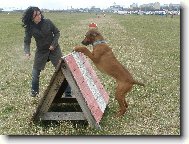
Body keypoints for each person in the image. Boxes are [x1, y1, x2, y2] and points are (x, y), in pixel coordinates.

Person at [21, 6, 71, 97]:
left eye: (39, 14)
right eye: (36, 15)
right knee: (35, 73)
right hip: (41, 51)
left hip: (54, 50)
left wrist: (53, 44)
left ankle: (68, 93)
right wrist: (27, 52)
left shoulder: (48, 22)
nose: (39, 16)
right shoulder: (30, 28)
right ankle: (34, 92)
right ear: (31, 17)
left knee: (62, 69)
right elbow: (26, 41)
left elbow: (57, 32)